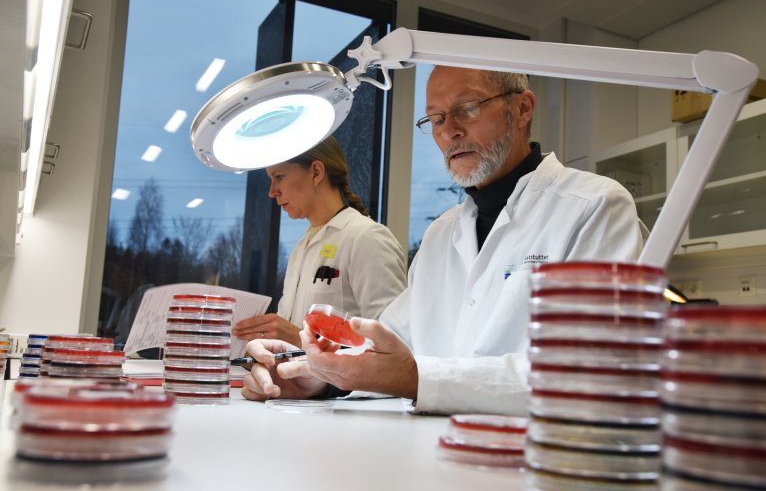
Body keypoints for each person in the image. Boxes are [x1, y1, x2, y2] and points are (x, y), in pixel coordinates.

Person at [241, 66, 646, 414]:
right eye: (435, 119)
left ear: (522, 108)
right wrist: (313, 375)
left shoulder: (593, 206)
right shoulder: (442, 234)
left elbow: (593, 372)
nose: (449, 131)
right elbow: (390, 344)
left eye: (467, 108)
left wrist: (418, 378)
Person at [232, 136, 407, 347]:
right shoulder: (301, 248)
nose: (272, 191)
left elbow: (393, 348)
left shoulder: (367, 238)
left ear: (316, 172)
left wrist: (296, 338)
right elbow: (290, 340)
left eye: (279, 177)